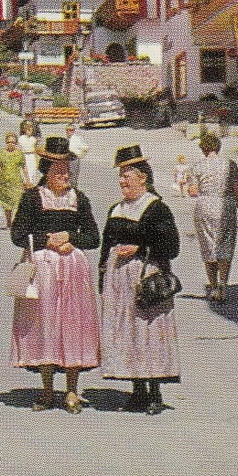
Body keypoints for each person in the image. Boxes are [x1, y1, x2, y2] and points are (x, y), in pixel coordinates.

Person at [9, 134, 100, 414]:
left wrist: (72, 237)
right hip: (43, 271)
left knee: (73, 325)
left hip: (72, 270)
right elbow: (17, 234)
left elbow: (94, 237)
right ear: (46, 171)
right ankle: (48, 390)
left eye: (67, 170)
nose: (64, 175)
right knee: (44, 324)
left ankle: (72, 390)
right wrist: (44, 240)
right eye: (58, 170)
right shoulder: (32, 198)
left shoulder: (79, 199)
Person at [98, 145, 181, 414]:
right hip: (118, 282)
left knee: (149, 333)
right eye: (121, 175)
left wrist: (140, 248)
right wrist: (103, 281)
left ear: (143, 177)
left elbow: (172, 247)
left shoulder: (157, 208)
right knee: (127, 333)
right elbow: (105, 246)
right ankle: (137, 391)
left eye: (128, 175)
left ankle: (155, 391)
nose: (123, 181)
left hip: (147, 279)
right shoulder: (115, 209)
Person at [188, 131, 238, 303]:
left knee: (208, 246)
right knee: (226, 244)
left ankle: (213, 286)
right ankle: (223, 284)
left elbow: (193, 192)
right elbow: (237, 191)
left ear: (203, 149)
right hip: (226, 204)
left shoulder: (197, 166)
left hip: (205, 205)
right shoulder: (230, 164)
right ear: (218, 147)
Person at [0, 132, 27, 226]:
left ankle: (14, 221)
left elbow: (23, 167)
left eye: (13, 142)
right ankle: (8, 221)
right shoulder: (1, 153)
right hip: (4, 183)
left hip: (17, 182)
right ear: (6, 142)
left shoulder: (19, 153)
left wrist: (27, 180)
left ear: (16, 143)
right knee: (7, 205)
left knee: (17, 202)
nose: (11, 144)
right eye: (8, 142)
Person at [15, 118, 42, 189]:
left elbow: (36, 151)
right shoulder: (20, 138)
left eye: (30, 127)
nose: (29, 128)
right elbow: (17, 150)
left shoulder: (34, 139)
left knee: (32, 175)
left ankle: (30, 189)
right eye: (27, 126)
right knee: (24, 175)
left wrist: (37, 161)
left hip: (32, 158)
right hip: (24, 157)